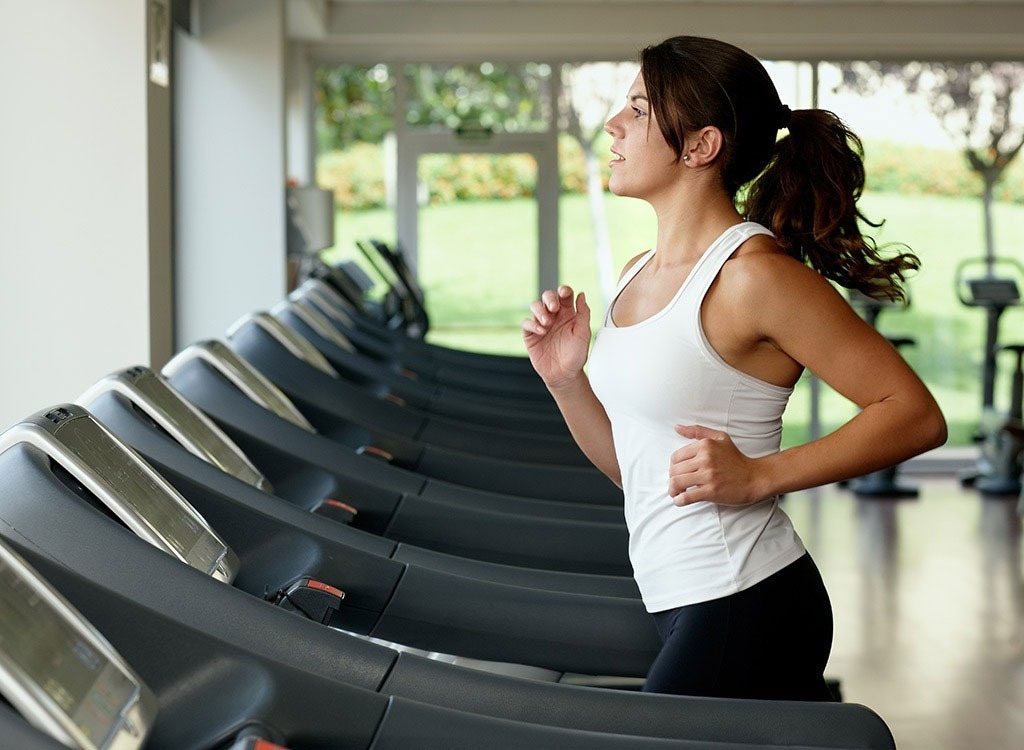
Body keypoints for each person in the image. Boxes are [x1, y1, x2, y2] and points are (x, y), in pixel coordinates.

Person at [522, 35, 947, 701]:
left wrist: (760, 476)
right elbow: (634, 471)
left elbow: (915, 415)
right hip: (677, 597)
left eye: (637, 108)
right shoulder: (637, 274)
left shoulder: (755, 278)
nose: (612, 124)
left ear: (702, 146)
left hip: (746, 597)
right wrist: (565, 380)